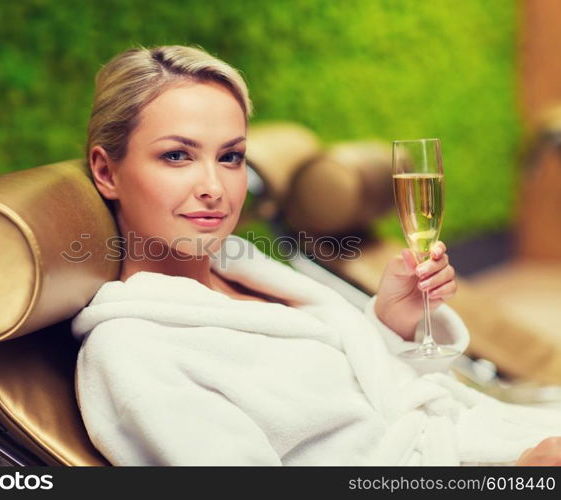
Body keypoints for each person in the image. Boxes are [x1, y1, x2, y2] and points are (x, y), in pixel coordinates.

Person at [72, 44, 561, 466]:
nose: (213, 187)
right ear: (106, 171)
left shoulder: (249, 270)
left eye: (231, 157)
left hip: (489, 433)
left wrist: (392, 323)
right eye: (177, 155)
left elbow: (371, 403)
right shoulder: (132, 351)